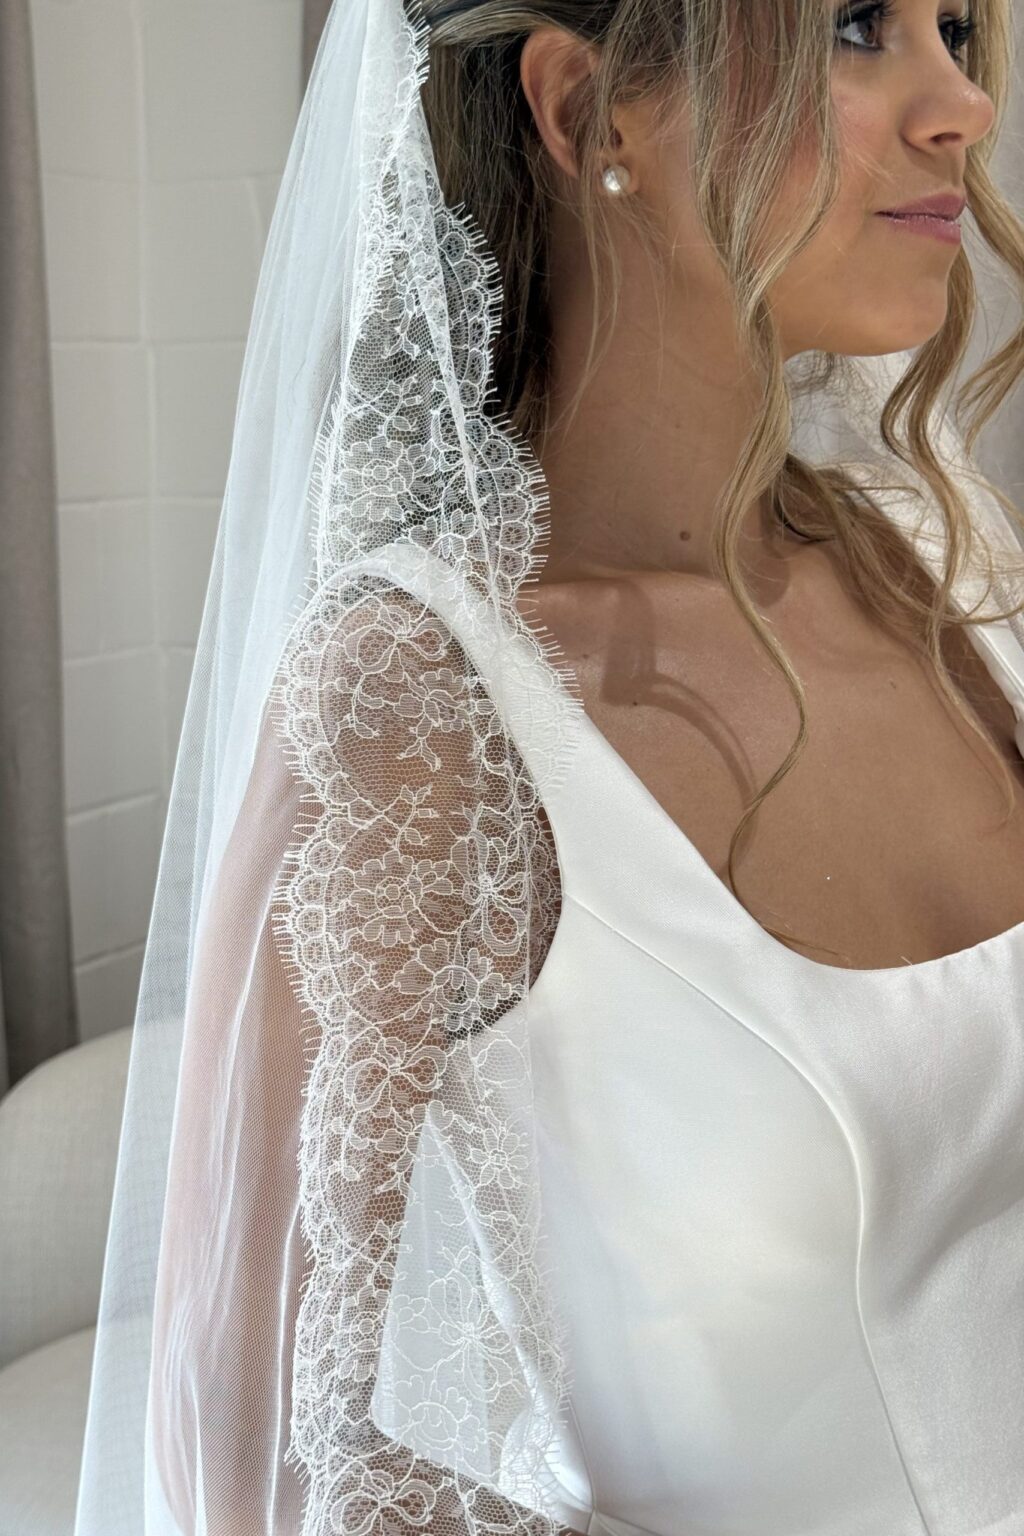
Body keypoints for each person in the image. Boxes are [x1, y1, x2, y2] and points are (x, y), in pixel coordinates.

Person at [73, 0, 1024, 1533]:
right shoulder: (413, 709)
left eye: (957, 28)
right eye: (858, 24)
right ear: (589, 109)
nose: (961, 108)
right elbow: (242, 1470)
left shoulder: (942, 557)